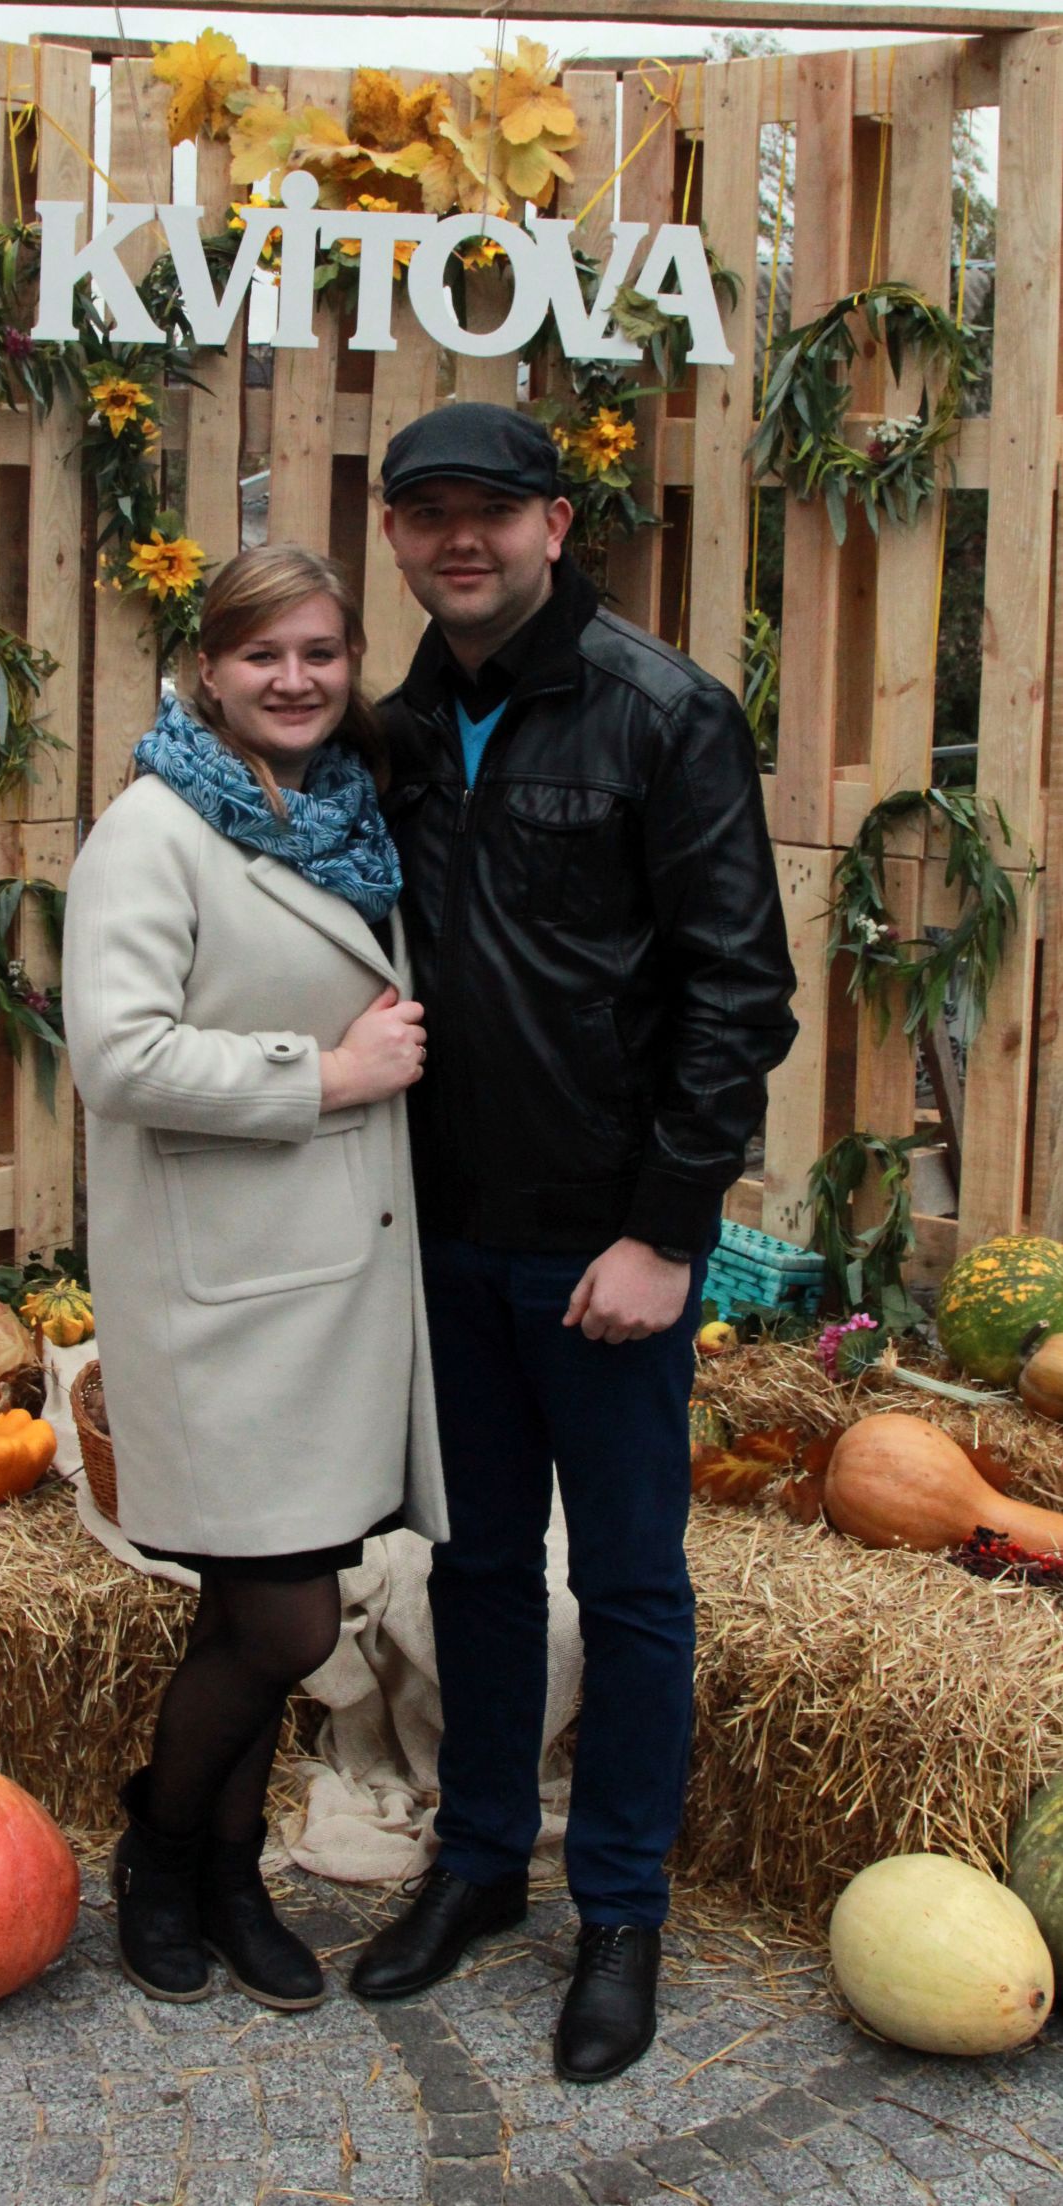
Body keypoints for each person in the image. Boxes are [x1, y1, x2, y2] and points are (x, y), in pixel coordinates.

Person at [349, 402, 798, 2082]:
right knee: (470, 1567)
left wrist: (666, 1230)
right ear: (396, 535)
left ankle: (618, 1909)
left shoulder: (662, 713)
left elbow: (739, 991)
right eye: (429, 513)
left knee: (626, 1583)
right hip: (439, 1235)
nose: (460, 538)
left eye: (494, 508)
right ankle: (478, 1862)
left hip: (604, 1249)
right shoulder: (395, 729)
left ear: (553, 523)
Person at [62, 544, 449, 2014]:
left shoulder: (343, 813)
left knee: (247, 1613)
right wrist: (330, 1073)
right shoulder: (153, 832)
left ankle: (226, 1880)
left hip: (323, 1286)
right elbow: (120, 1058)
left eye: (320, 654)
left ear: (351, 665)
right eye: (262, 655)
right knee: (286, 1623)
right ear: (208, 672)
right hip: (217, 1297)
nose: (294, 679)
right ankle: (160, 1850)